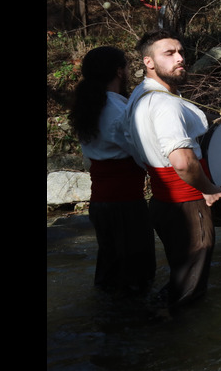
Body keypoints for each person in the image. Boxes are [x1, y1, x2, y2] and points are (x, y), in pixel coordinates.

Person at [126, 30, 221, 313]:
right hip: (187, 201)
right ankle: (176, 341)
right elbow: (181, 161)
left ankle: (156, 321)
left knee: (181, 273)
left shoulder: (139, 94)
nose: (180, 58)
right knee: (190, 288)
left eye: (181, 52)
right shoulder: (166, 105)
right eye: (169, 53)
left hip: (163, 201)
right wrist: (208, 188)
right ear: (149, 62)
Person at [68, 46, 154, 295]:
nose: (128, 71)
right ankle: (130, 327)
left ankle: (109, 326)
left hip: (102, 202)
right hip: (125, 203)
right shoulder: (118, 110)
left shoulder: (89, 106)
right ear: (119, 71)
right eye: (126, 66)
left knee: (110, 269)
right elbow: (142, 156)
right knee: (136, 274)